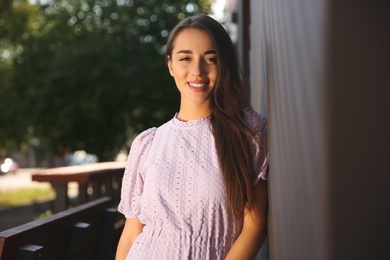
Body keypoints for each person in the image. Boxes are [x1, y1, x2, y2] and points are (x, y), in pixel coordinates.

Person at [115, 14, 268, 260]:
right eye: (185, 58)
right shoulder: (148, 144)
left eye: (210, 59)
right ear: (170, 65)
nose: (197, 71)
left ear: (223, 64)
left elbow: (255, 227)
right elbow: (131, 234)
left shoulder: (246, 132)